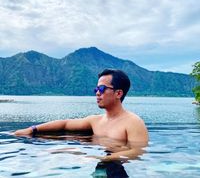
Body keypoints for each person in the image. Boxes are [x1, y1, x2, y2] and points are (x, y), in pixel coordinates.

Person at [14, 69, 148, 161]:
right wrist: (32, 130)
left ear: (118, 93)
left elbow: (138, 152)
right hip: (100, 166)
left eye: (101, 89)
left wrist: (99, 158)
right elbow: (64, 124)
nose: (97, 93)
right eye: (96, 89)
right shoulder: (95, 121)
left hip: (117, 169)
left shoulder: (133, 122)